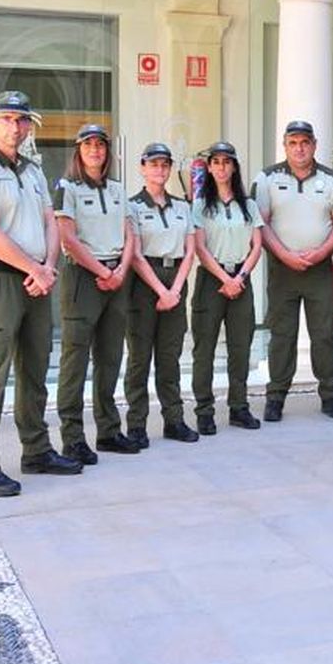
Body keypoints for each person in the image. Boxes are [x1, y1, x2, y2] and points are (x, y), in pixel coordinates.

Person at [0, 90, 79, 496]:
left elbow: (50, 221)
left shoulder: (31, 170)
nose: (15, 126)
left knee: (35, 371)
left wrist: (47, 267)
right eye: (7, 118)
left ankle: (37, 450)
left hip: (36, 280)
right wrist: (35, 269)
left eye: (22, 119)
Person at [253, 121, 333, 421]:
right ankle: (275, 398)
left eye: (305, 142)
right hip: (282, 270)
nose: (299, 148)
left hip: (319, 269)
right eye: (293, 142)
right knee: (282, 335)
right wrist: (284, 255)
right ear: (285, 145)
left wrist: (321, 252)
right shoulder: (267, 178)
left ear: (314, 144)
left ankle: (330, 396)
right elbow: (261, 222)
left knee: (323, 334)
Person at [55, 123, 138, 462]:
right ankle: (73, 438)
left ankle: (108, 430)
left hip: (117, 277)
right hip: (84, 279)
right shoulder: (67, 188)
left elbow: (130, 234)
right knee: (75, 361)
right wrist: (103, 271)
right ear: (79, 150)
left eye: (100, 144)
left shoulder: (118, 189)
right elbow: (68, 238)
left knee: (110, 358)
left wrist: (119, 271)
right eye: (88, 144)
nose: (95, 150)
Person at [125, 142, 198, 445]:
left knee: (170, 358)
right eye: (153, 164)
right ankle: (137, 425)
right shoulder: (131, 206)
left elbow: (191, 249)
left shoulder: (182, 206)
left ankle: (174, 420)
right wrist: (161, 290)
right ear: (142, 168)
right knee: (140, 359)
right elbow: (136, 253)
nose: (159, 170)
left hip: (175, 280)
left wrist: (176, 289)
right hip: (144, 283)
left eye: (164, 165)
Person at [190, 141, 265, 434]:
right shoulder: (200, 205)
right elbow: (199, 247)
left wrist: (240, 277)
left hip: (241, 280)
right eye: (216, 162)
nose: (221, 167)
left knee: (240, 348)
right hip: (212, 281)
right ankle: (204, 411)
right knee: (204, 348)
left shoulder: (248, 205)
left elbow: (257, 245)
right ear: (209, 168)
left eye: (226, 162)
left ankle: (239, 407)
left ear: (234, 167)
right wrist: (225, 279)